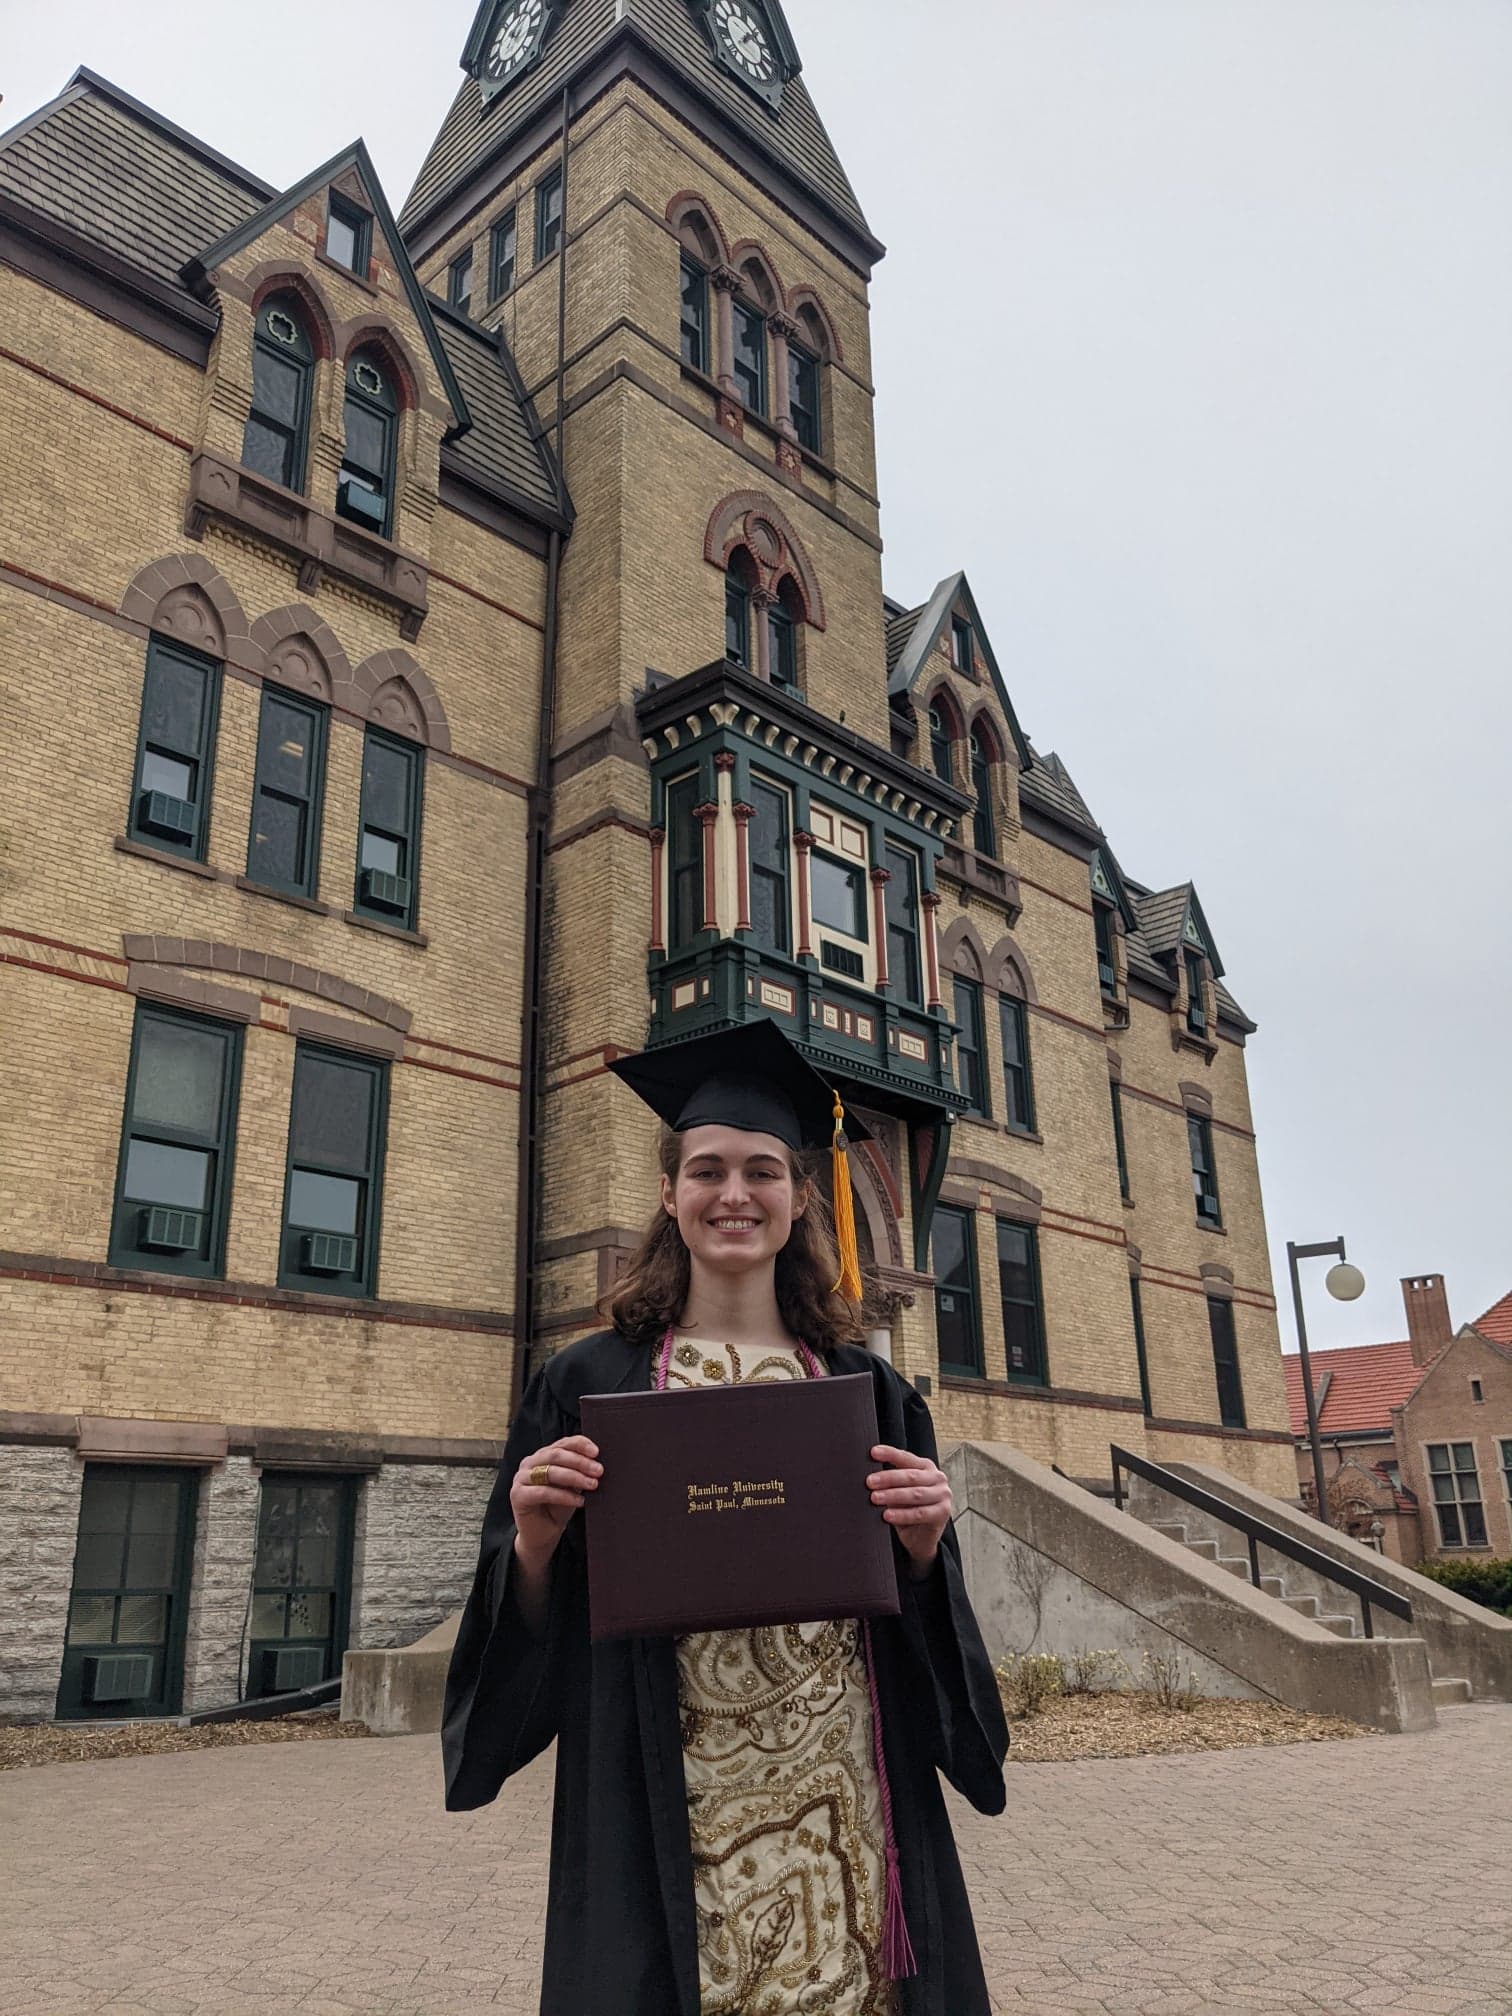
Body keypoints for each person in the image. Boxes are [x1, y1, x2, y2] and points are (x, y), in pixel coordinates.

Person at [442, 1019, 1008, 2015]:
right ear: (669, 1195)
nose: (734, 1195)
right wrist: (533, 1541)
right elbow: (526, 1603)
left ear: (799, 1200)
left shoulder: (867, 1388)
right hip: (662, 1788)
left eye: (762, 1171)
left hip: (842, 1790)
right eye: (707, 1171)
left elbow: (920, 1604)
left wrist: (924, 1546)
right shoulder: (588, 1380)